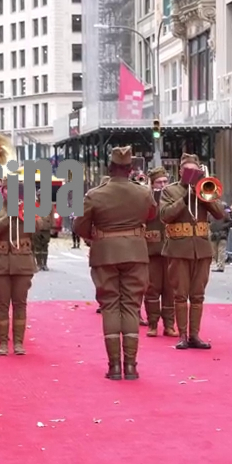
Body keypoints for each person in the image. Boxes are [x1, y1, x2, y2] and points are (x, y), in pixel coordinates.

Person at [72, 146, 156, 380]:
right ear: (130, 169)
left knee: (110, 305)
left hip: (105, 253)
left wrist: (95, 236)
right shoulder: (143, 192)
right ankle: (131, 366)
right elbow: (151, 215)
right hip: (136, 253)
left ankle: (114, 366)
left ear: (109, 168)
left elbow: (79, 225)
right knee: (131, 306)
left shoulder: (95, 194)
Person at [160, 154, 226, 350]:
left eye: (195, 171)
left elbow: (220, 214)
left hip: (202, 248)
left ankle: (195, 335)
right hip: (179, 248)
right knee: (180, 294)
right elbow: (165, 215)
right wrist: (185, 198)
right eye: (188, 170)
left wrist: (204, 195)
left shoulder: (204, 188)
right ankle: (182, 335)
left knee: (198, 295)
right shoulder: (170, 190)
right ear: (180, 171)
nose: (191, 174)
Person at [0, 174, 37, 355]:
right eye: (6, 189)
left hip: (22, 261)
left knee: (20, 304)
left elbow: (41, 226)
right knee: (1, 304)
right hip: (0, 262)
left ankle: (19, 343)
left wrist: (24, 214)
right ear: (2, 191)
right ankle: (3, 343)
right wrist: (8, 218)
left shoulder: (27, 206)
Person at [143, 166, 177, 337]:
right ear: (152, 183)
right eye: (158, 182)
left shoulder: (173, 196)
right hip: (152, 249)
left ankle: (169, 325)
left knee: (170, 290)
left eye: (165, 181)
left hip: (171, 249)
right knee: (152, 288)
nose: (163, 185)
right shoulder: (146, 198)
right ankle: (153, 323)